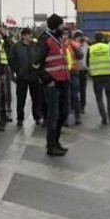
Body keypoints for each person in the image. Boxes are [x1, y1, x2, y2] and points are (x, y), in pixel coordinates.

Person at [33, 14, 71, 157]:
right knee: (53, 115)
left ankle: (56, 141)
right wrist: (48, 79)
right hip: (52, 84)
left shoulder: (59, 39)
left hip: (63, 82)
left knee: (64, 113)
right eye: (61, 24)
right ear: (56, 25)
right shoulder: (45, 40)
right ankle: (51, 145)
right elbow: (35, 63)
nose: (63, 27)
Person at [11, 27, 42, 126]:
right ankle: (20, 118)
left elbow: (40, 57)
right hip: (22, 77)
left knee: (36, 98)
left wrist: (38, 68)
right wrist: (18, 71)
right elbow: (12, 60)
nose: (31, 36)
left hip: (34, 76)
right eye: (29, 34)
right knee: (21, 98)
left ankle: (37, 117)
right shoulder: (16, 47)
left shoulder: (35, 45)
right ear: (23, 36)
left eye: (31, 34)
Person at [88, 31, 110, 125]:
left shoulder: (91, 48)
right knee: (109, 96)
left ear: (95, 39)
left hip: (96, 76)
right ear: (102, 38)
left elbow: (87, 62)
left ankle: (104, 117)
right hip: (107, 75)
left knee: (99, 97)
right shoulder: (108, 47)